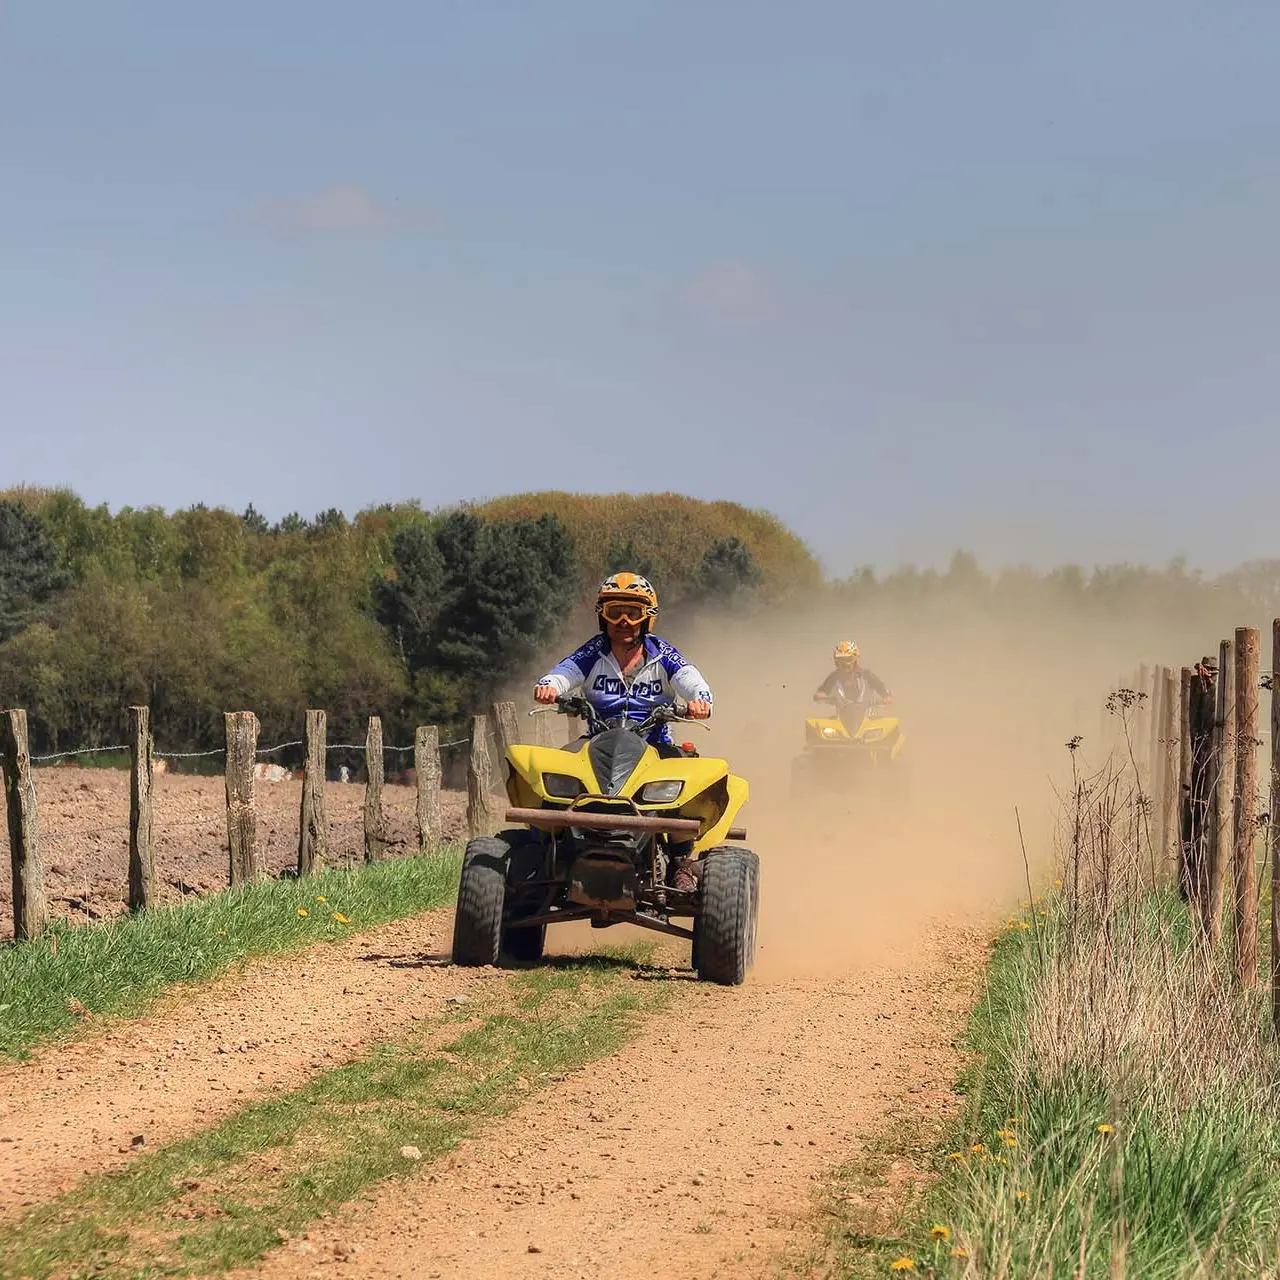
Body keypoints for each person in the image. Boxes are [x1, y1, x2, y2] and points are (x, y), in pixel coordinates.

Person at [534, 572, 712, 891]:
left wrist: (701, 701)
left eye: (634, 612)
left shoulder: (663, 655)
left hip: (655, 748)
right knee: (550, 775)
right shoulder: (593, 653)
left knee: (691, 779)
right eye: (615, 611)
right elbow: (564, 671)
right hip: (596, 745)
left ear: (648, 618)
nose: (624, 621)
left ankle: (681, 861)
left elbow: (693, 680)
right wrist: (549, 686)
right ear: (603, 616)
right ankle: (542, 856)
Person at [814, 640, 891, 730]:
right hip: (842, 722)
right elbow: (822, 691)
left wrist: (887, 697)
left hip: (867, 721)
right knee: (817, 731)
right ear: (836, 662)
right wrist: (820, 696)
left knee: (889, 730)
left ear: (855, 660)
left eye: (847, 660)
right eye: (840, 661)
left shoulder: (866, 675)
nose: (844, 664)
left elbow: (881, 688)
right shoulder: (833, 677)